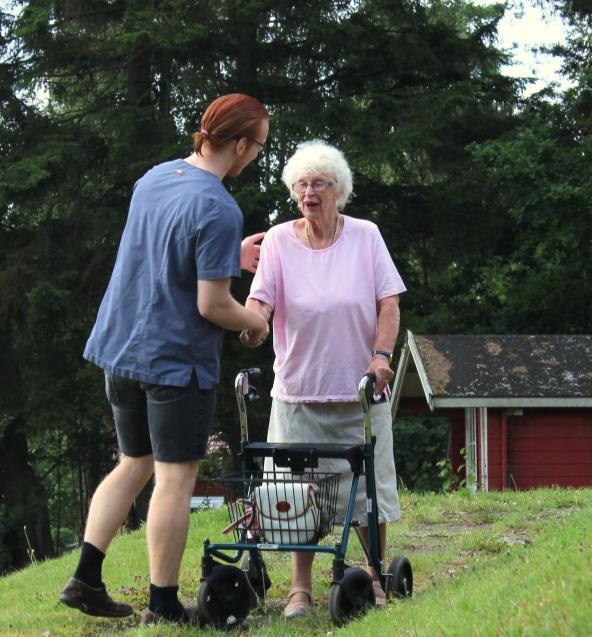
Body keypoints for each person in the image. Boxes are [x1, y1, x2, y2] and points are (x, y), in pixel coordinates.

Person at [59, 93, 270, 624]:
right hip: (174, 360)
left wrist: (231, 254)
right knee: (175, 478)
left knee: (133, 462)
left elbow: (163, 249)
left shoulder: (155, 177)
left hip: (121, 347)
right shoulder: (220, 206)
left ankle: (85, 577)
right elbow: (212, 304)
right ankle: (163, 605)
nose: (256, 157)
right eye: (259, 147)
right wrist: (255, 321)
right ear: (240, 143)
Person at [241, 140, 406, 618]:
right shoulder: (277, 241)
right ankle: (299, 588)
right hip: (297, 392)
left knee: (368, 489)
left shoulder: (366, 236)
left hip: (359, 391)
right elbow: (261, 302)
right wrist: (252, 327)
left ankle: (375, 572)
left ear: (339, 191)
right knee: (296, 497)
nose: (308, 193)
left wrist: (381, 355)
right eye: (301, 185)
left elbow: (388, 302)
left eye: (318, 184)